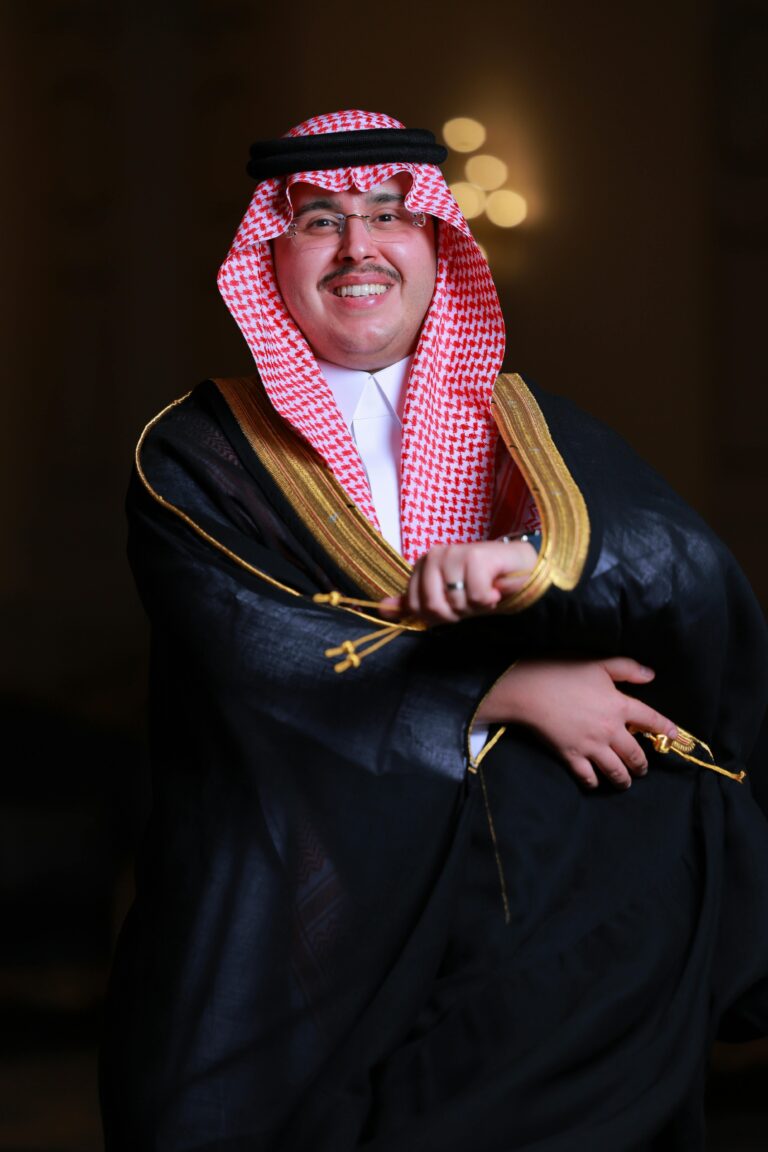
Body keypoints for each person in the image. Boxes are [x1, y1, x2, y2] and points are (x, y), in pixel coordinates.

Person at [100, 110, 768, 1151]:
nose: (360, 246)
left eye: (390, 216)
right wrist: (502, 688)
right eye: (321, 220)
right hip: (327, 924)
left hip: (571, 924)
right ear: (270, 254)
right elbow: (249, 650)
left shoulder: (531, 425)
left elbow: (688, 574)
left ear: (437, 246)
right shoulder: (196, 451)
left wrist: (535, 563)